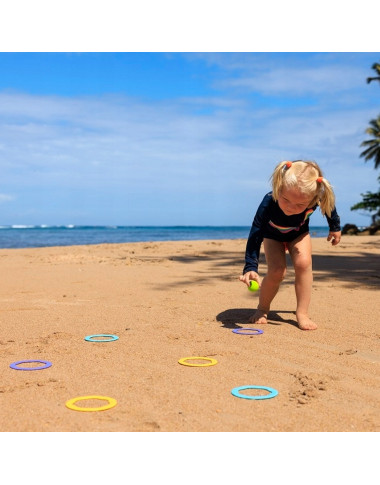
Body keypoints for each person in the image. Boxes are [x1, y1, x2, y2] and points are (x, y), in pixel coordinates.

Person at [239, 160, 341, 330]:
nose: (290, 207)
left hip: (298, 234)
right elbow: (256, 232)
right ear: (278, 188)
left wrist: (335, 227)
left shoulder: (317, 198)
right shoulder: (268, 201)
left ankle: (302, 312)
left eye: (300, 205)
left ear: (312, 199)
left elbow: (330, 207)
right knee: (277, 271)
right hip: (272, 236)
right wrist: (250, 266)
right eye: (285, 199)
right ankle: (263, 309)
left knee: (304, 264)